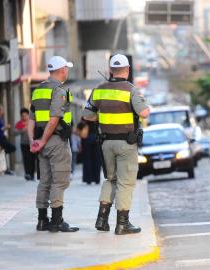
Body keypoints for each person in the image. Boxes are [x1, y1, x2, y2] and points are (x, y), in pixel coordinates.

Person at [82, 53, 150, 235]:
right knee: (125, 183)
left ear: (110, 70)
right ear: (127, 70)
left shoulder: (98, 90)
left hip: (105, 144)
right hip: (126, 144)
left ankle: (101, 220)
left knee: (110, 180)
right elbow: (144, 113)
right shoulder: (131, 90)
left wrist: (104, 116)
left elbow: (86, 115)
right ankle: (122, 224)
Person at [28, 56, 79, 233]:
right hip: (55, 141)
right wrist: (42, 141)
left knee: (44, 181)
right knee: (60, 180)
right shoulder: (59, 90)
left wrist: (33, 141)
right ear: (62, 70)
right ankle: (57, 221)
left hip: (42, 143)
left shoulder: (37, 90)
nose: (67, 71)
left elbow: (31, 120)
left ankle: (42, 221)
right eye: (66, 68)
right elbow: (54, 118)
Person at [0, 104, 16, 175]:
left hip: (3, 137)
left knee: (6, 151)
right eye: (2, 109)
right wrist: (5, 127)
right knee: (12, 148)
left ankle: (6, 168)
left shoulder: (1, 118)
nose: (3, 111)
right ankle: (5, 168)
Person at [15, 108, 36, 181]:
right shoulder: (19, 123)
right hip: (24, 144)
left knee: (32, 159)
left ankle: (32, 174)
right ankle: (27, 174)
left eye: (25, 115)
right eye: (22, 116)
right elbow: (14, 133)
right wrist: (22, 130)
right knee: (26, 159)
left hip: (33, 144)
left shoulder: (32, 122)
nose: (24, 117)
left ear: (28, 115)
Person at [80, 121, 102, 185]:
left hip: (87, 139)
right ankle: (97, 179)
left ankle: (88, 179)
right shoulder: (98, 114)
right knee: (97, 159)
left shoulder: (85, 114)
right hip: (96, 137)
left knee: (87, 159)